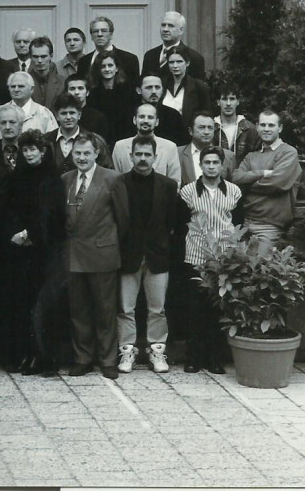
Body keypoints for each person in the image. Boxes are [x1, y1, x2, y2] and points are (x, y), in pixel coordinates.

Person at [112, 136, 184, 375]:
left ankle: (156, 349)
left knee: (157, 308)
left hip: (157, 255)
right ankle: (127, 350)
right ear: (130, 156)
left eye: (147, 155)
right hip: (127, 255)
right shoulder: (118, 183)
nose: (142, 159)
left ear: (155, 157)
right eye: (138, 154)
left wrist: (162, 248)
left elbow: (171, 224)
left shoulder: (168, 186)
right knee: (125, 308)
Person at [0, 131, 61, 373]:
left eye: (34, 149)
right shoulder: (17, 177)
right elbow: (8, 209)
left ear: (43, 151)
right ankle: (24, 354)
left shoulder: (52, 178)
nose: (30, 153)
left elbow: (50, 215)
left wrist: (30, 234)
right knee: (20, 303)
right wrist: (15, 233)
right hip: (19, 250)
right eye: (26, 149)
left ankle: (43, 357)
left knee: (41, 305)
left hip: (43, 250)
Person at [61, 132, 121, 379]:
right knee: (79, 312)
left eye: (87, 153)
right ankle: (83, 358)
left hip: (102, 254)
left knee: (105, 311)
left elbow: (123, 218)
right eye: (78, 153)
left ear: (96, 153)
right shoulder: (65, 179)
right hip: (74, 255)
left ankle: (107, 360)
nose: (82, 158)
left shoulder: (112, 178)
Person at [179, 147, 242, 374]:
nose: (211, 166)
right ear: (201, 165)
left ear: (222, 165)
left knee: (218, 310)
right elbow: (180, 224)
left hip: (223, 260)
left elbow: (238, 223)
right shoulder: (188, 192)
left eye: (216, 162)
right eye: (207, 162)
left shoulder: (234, 192)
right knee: (195, 310)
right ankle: (194, 357)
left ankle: (214, 358)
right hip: (196, 257)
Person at [232, 110, 301, 247]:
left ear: (279, 128)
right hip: (245, 222)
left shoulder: (288, 152)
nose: (266, 129)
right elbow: (235, 178)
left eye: (271, 125)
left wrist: (248, 184)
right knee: (236, 266)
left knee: (259, 267)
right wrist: (262, 173)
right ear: (257, 127)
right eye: (263, 125)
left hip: (270, 226)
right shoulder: (251, 156)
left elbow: (276, 183)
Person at [112, 103, 180, 182]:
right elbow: (115, 181)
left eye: (150, 117)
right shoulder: (120, 146)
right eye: (141, 117)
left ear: (157, 122)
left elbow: (175, 182)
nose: (145, 121)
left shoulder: (170, 147)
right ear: (134, 120)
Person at [46, 94, 112, 174]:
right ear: (56, 116)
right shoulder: (46, 140)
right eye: (63, 113)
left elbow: (107, 172)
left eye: (72, 113)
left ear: (79, 115)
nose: (68, 117)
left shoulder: (95, 141)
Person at [0, 72, 58, 140]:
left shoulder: (44, 113)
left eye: (21, 86)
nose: (16, 89)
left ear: (32, 89)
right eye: (13, 86)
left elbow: (52, 141)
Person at [87, 50, 138, 143]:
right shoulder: (93, 94)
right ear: (98, 70)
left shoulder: (128, 91)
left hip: (124, 137)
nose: (107, 69)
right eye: (103, 66)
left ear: (117, 68)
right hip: (101, 139)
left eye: (110, 65)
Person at [142, 11, 207, 81]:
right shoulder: (150, 55)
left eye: (171, 26)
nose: (165, 29)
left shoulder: (193, 57)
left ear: (181, 30)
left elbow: (197, 88)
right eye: (163, 25)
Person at [76, 16, 140, 83]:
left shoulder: (129, 59)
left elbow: (134, 89)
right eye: (95, 31)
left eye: (104, 31)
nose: (100, 34)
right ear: (91, 36)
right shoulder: (83, 62)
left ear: (111, 34)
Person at [179, 112, 236, 186]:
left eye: (210, 128)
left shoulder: (228, 156)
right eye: (201, 127)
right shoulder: (177, 154)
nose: (206, 132)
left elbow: (235, 187)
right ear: (190, 131)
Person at [160, 49, 211, 128]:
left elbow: (206, 113)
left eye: (179, 61)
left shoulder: (198, 86)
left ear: (187, 63)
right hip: (163, 131)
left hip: (187, 132)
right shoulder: (162, 85)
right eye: (171, 62)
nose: (175, 66)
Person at [137, 73, 190, 146]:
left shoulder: (173, 115)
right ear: (139, 90)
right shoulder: (128, 114)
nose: (154, 91)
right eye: (149, 87)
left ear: (162, 90)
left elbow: (183, 144)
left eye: (157, 87)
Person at [214, 88, 261, 166]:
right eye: (224, 99)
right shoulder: (211, 128)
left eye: (232, 99)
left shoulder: (250, 129)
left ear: (238, 102)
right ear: (218, 102)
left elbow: (258, 159)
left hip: (243, 176)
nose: (228, 103)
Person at [63, 74, 110, 140]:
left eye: (80, 88)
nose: (76, 92)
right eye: (72, 89)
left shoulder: (98, 117)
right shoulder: (61, 116)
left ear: (87, 92)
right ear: (66, 92)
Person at [28, 36, 63, 111]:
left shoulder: (62, 82)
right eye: (35, 57)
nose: (40, 60)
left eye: (43, 56)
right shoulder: (24, 82)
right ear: (30, 57)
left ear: (51, 56)